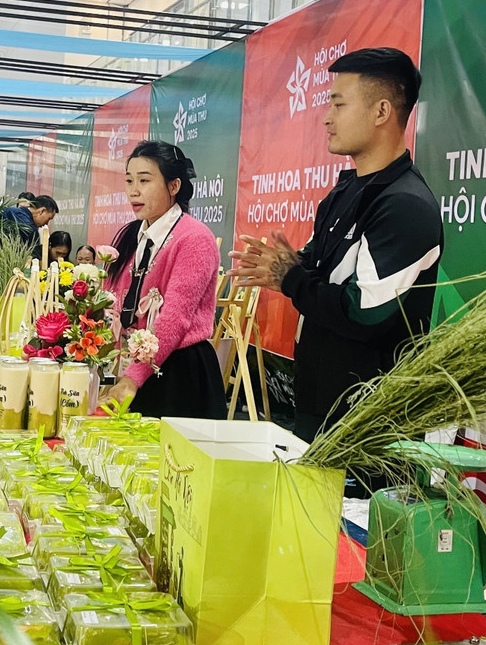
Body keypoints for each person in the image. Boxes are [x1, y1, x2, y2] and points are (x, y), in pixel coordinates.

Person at [228, 48, 443, 480]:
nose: (326, 117)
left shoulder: (405, 206)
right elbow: (313, 267)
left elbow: (363, 311)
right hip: (319, 411)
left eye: (338, 103)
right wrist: (288, 268)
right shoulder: (345, 191)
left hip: (370, 428)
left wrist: (289, 276)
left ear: (382, 111)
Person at [102, 140, 226, 419]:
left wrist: (133, 377)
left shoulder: (194, 238)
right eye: (129, 180)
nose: (134, 190)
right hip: (135, 367)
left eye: (145, 180)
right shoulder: (130, 235)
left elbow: (175, 318)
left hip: (179, 372)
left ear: (174, 186)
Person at [0, 193, 59, 259]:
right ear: (42, 211)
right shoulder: (29, 228)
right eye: (49, 218)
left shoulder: (8, 210)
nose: (47, 223)